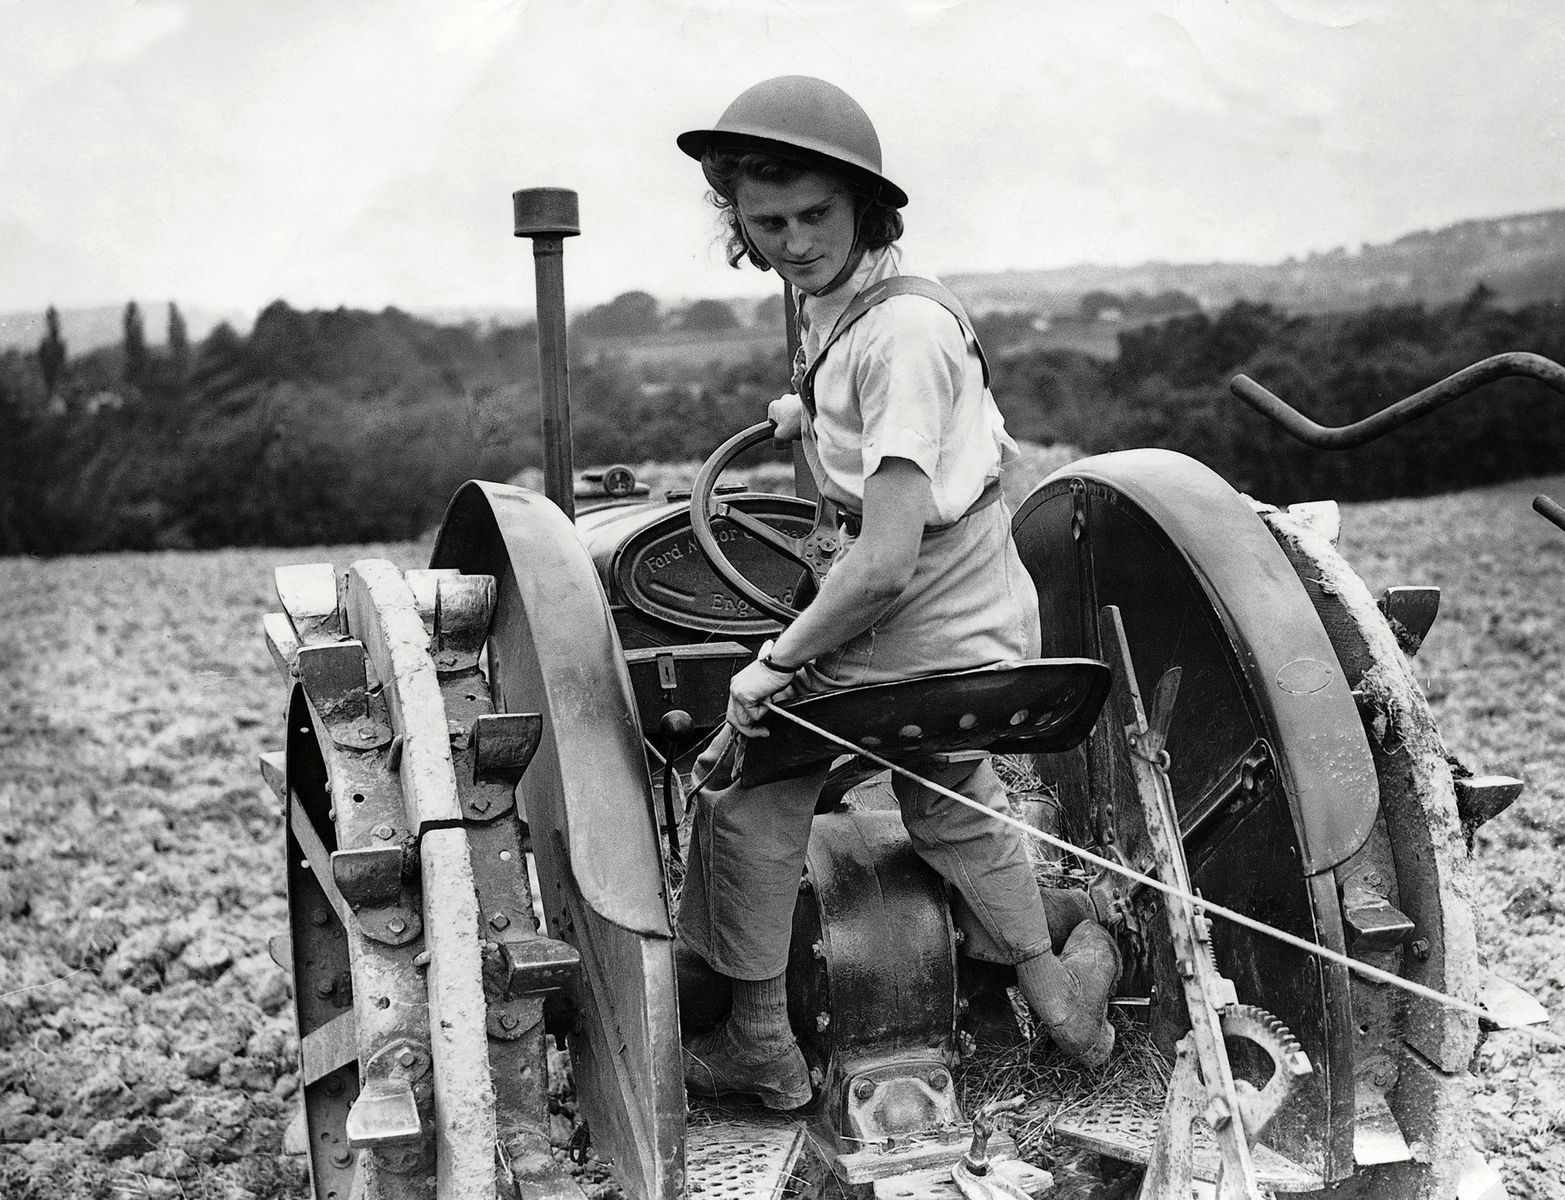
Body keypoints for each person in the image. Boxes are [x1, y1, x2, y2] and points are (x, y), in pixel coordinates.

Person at [674, 75, 1120, 1111]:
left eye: (813, 216)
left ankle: (757, 1045)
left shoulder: (900, 337)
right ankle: (1059, 1003)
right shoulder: (865, 306)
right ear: (735, 219)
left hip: (915, 627)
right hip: (978, 625)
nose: (791, 242)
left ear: (863, 204)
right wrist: (806, 416)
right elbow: (931, 428)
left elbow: (875, 566)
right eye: (765, 220)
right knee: (946, 790)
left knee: (744, 782)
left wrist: (770, 668)